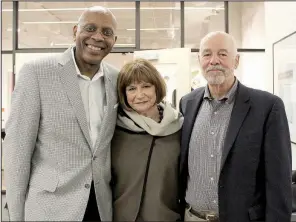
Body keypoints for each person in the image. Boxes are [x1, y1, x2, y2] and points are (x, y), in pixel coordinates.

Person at [3, 6, 118, 221]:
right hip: (50, 207)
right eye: (90, 28)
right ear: (75, 31)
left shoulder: (116, 78)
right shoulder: (36, 73)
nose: (97, 37)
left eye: (107, 32)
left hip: (101, 207)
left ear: (114, 40)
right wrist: (16, 216)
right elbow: (17, 151)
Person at [179, 31, 292, 222]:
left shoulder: (267, 107)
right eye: (207, 54)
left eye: (222, 54)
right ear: (199, 60)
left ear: (236, 61)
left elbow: (279, 182)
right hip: (192, 217)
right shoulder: (187, 103)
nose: (214, 60)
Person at [111, 58, 183, 221]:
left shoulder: (179, 128)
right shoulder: (114, 131)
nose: (140, 95)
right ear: (124, 93)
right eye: (132, 88)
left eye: (146, 86)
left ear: (157, 87)